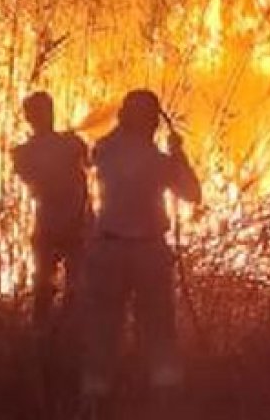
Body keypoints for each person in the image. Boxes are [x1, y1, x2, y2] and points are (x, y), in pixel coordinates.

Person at [81, 89, 201, 404]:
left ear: (123, 118)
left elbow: (98, 149)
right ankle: (166, 399)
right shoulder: (159, 163)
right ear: (152, 122)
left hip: (108, 251)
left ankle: (95, 399)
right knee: (159, 329)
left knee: (103, 329)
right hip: (149, 254)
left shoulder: (104, 151)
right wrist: (178, 154)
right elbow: (192, 193)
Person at [11, 91, 91, 329]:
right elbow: (37, 178)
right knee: (49, 286)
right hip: (57, 225)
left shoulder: (62, 145)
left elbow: (87, 163)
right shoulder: (28, 151)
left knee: (66, 286)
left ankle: (57, 333)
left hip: (65, 224)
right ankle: (50, 334)